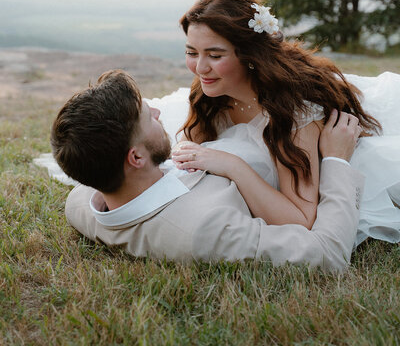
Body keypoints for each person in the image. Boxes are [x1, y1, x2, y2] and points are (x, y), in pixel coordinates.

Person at [51, 69, 364, 272]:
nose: (159, 111)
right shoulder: (207, 231)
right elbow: (328, 256)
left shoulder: (81, 202)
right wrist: (337, 160)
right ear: (135, 158)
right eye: (148, 117)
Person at [168, 0, 400, 246]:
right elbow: (189, 150)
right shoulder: (208, 91)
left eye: (215, 55)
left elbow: (302, 220)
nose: (200, 68)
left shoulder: (293, 111)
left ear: (249, 55)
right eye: (191, 52)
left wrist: (232, 165)